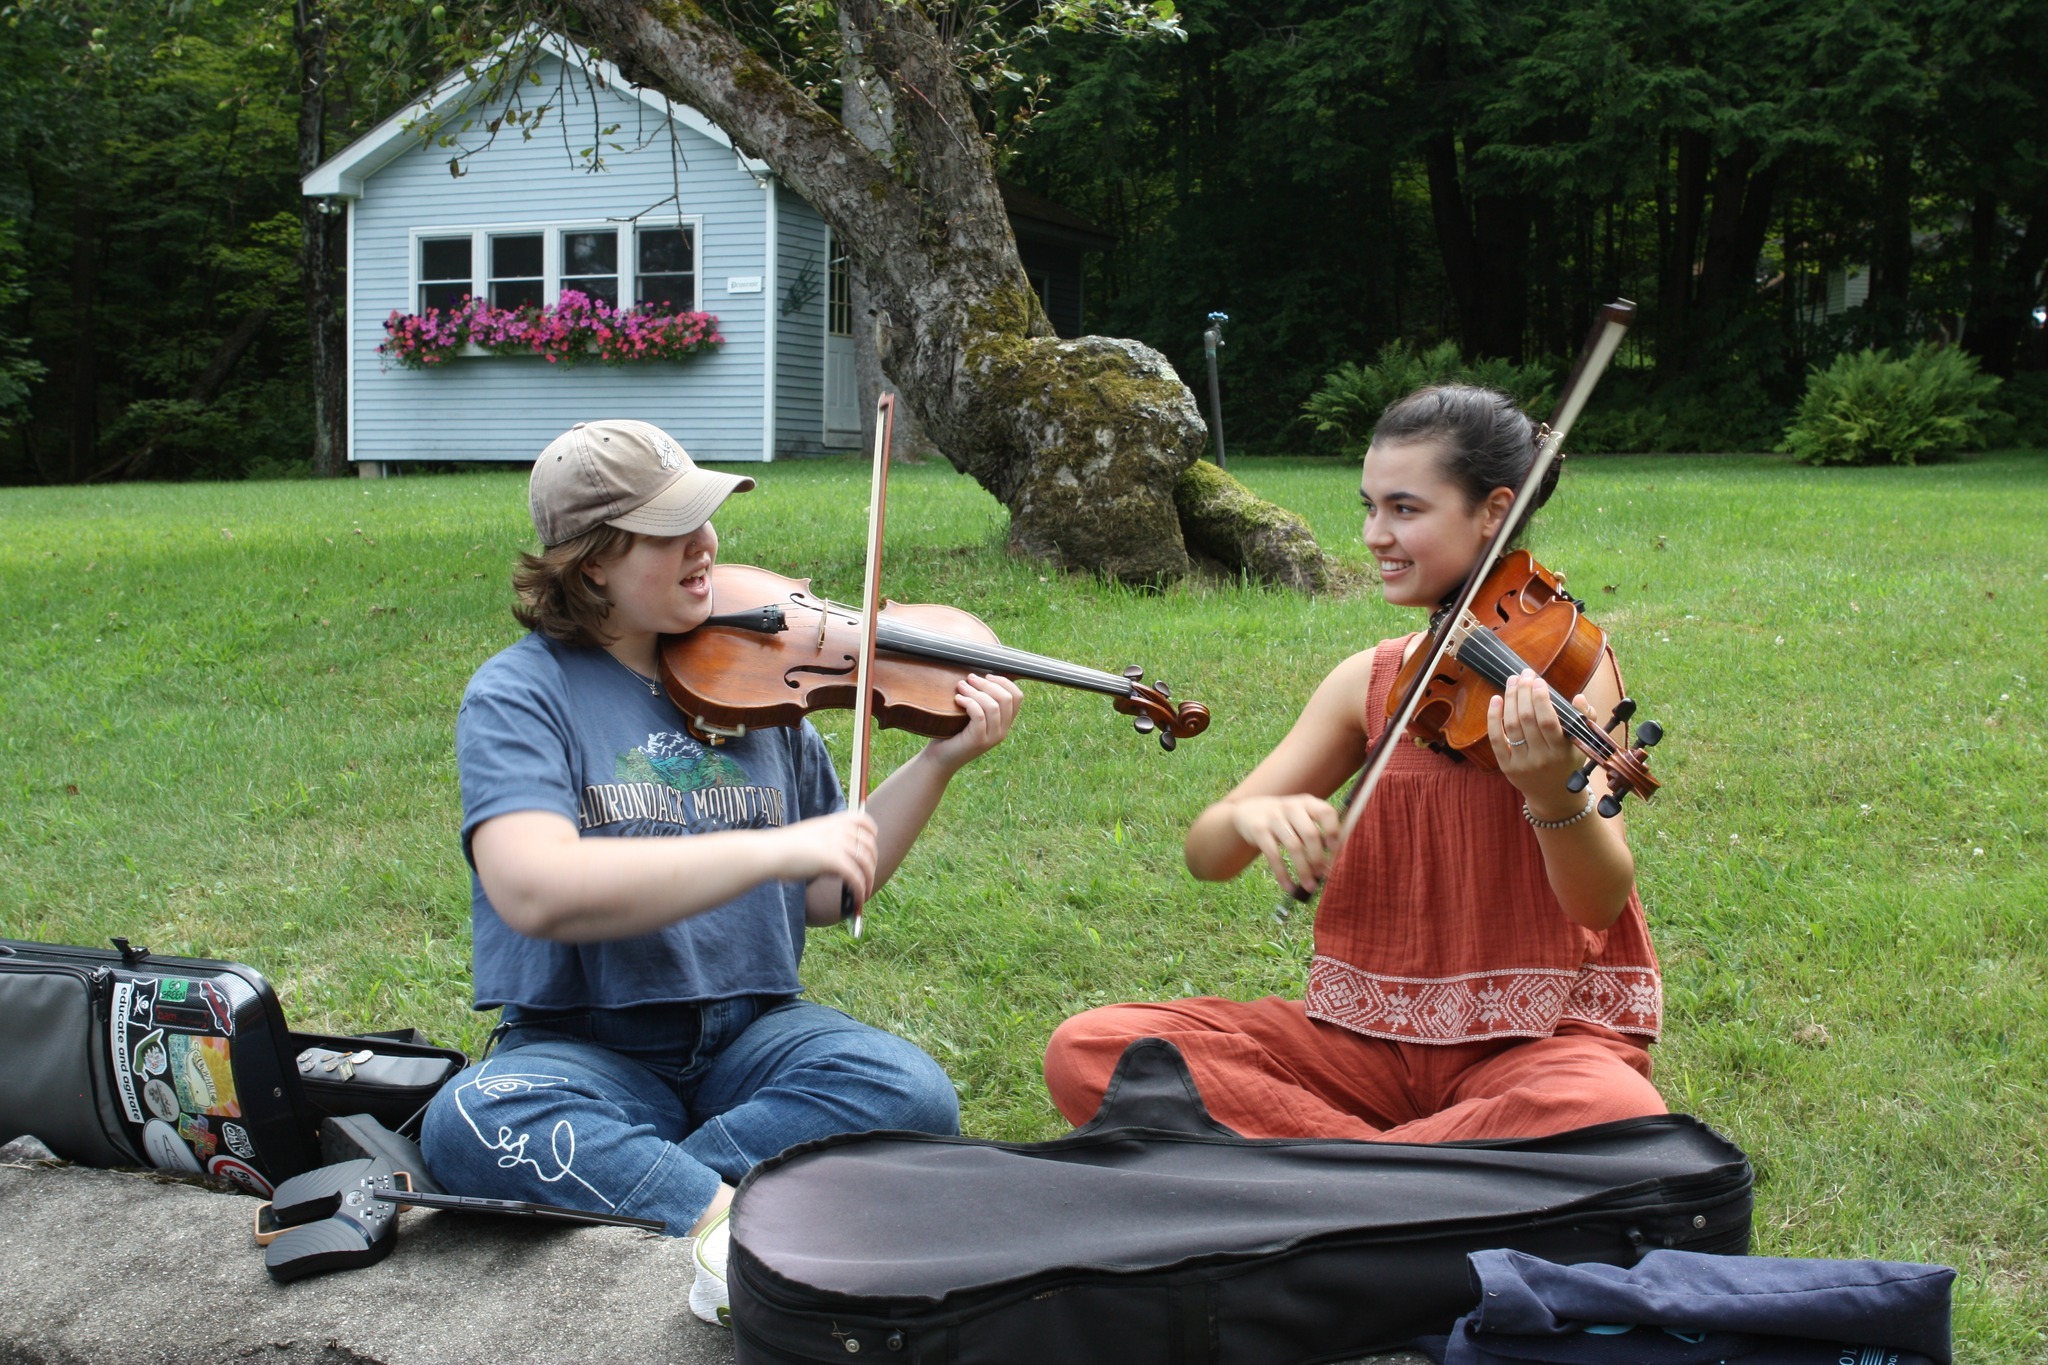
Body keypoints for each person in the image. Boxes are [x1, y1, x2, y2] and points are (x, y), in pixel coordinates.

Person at [420, 418, 1022, 1326]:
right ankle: (735, 1213)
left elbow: (827, 888)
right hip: (587, 1042)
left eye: (706, 518)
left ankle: (659, 1179)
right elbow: (534, 887)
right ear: (592, 564)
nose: (706, 545)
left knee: (909, 1089)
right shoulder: (522, 691)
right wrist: (770, 848)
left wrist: (938, 761)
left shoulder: (756, 671)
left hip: (753, 1032)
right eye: (670, 532)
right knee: (470, 1116)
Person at [1043, 385, 1664, 1144]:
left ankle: (1327, 1168)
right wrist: (1249, 816)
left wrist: (1547, 792)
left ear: (1495, 511)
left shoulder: (1567, 668)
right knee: (1090, 1047)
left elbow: (1599, 900)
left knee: (1610, 1110)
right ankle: (1397, 1172)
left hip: (1534, 1047)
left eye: (1405, 509)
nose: (1375, 533)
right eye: (1369, 506)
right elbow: (1207, 852)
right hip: (1363, 1049)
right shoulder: (1369, 682)